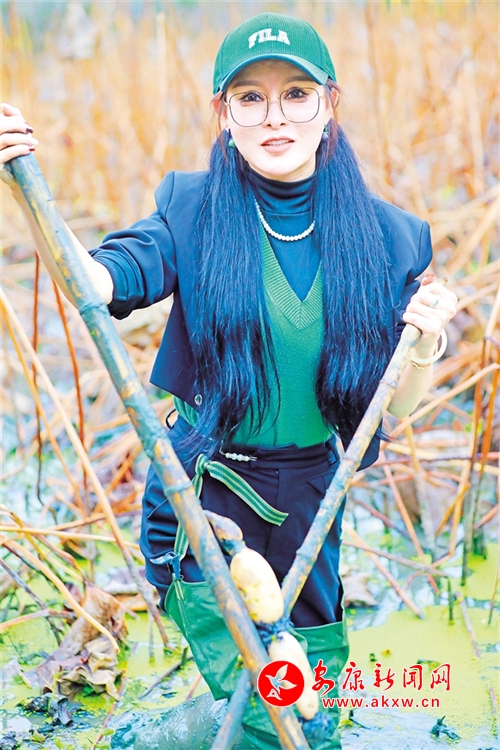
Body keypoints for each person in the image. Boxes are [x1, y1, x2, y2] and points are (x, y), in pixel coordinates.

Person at [1, 12, 457, 749]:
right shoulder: (190, 209)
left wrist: (426, 339)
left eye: (296, 94)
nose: (275, 116)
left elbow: (390, 408)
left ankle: (191, 732)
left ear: (329, 104)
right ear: (223, 113)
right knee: (270, 708)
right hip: (208, 495)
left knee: (313, 699)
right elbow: (98, 281)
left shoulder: (388, 236)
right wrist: (29, 188)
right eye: (250, 98)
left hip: (314, 496)